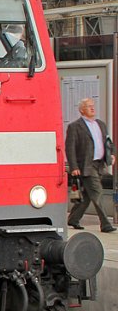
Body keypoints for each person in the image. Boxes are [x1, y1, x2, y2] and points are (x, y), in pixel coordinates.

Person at [66, 97, 116, 232]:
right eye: (89, 106)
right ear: (82, 110)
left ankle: (73, 219)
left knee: (87, 195)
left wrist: (111, 154)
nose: (92, 108)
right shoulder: (75, 126)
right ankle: (105, 224)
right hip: (86, 166)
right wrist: (74, 166)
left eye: (93, 105)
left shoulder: (100, 124)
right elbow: (70, 148)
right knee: (97, 192)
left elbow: (108, 142)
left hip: (99, 165)